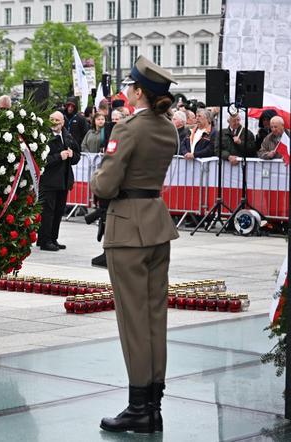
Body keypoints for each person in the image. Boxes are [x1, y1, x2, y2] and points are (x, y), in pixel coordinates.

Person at [90, 56, 179, 434]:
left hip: (128, 228)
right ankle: (153, 404)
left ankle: (138, 406)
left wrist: (98, 178)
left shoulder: (128, 129)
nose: (125, 90)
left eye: (129, 85)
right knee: (155, 317)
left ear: (139, 92)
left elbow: (105, 186)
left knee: (133, 321)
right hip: (157, 223)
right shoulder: (168, 130)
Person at [37, 111, 81, 251]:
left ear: (62, 122)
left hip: (63, 181)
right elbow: (41, 160)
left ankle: (53, 238)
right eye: (52, 120)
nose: (54, 122)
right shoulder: (44, 137)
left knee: (58, 212)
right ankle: (44, 240)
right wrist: (58, 156)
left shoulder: (67, 135)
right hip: (48, 181)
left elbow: (76, 156)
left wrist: (72, 155)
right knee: (47, 212)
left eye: (57, 120)